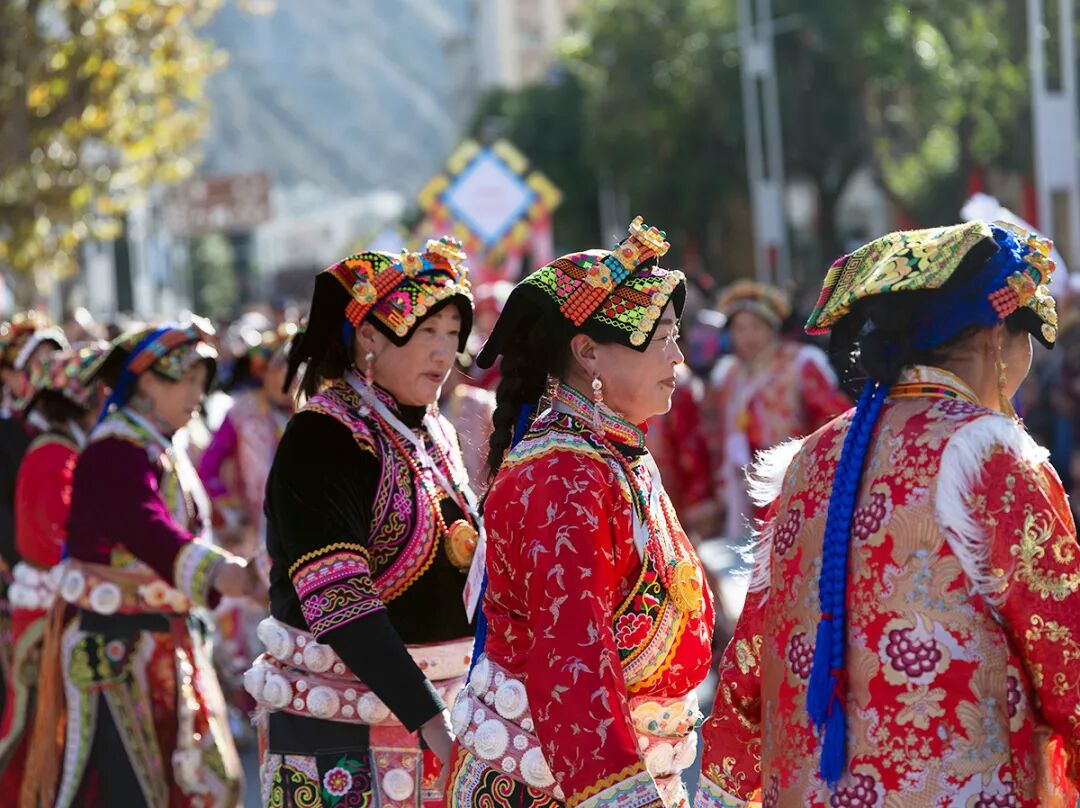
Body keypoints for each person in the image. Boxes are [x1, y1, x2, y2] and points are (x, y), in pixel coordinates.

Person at [695, 221, 1080, 806]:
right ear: (995, 337)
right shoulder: (991, 452)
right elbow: (1063, 645)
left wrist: (726, 780)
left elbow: (756, 644)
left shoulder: (809, 456)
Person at [447, 217, 716, 807]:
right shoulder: (565, 475)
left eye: (676, 334)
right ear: (589, 351)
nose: (678, 356)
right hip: (560, 785)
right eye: (661, 336)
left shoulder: (613, 453)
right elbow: (573, 659)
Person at [245, 237, 482, 807]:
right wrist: (429, 717)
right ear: (371, 337)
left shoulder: (432, 430)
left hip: (445, 719)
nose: (444, 352)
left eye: (453, 333)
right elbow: (338, 599)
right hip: (339, 726)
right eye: (427, 332)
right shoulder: (324, 436)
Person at [27, 321, 254, 807]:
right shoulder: (115, 448)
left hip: (157, 639)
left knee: (193, 783)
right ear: (148, 382)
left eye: (201, 381)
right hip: (115, 647)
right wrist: (223, 572)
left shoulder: (153, 442)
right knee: (129, 788)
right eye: (187, 380)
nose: (198, 393)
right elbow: (145, 526)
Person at [0, 343, 106, 795]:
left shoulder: (60, 450)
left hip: (57, 611)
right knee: (45, 738)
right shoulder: (52, 454)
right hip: (48, 620)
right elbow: (47, 543)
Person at [704, 280, 849, 538]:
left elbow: (835, 419)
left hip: (793, 484)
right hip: (744, 489)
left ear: (772, 328)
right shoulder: (729, 374)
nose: (748, 336)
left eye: (756, 327)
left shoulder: (801, 363)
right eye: (740, 328)